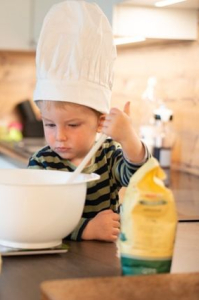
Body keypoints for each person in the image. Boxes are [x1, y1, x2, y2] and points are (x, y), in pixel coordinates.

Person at [27, 1, 149, 242]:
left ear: (100, 121)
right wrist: (86, 230)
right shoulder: (42, 162)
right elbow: (36, 216)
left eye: (72, 125)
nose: (59, 136)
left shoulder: (108, 156)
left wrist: (128, 138)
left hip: (103, 264)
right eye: (49, 124)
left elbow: (140, 177)